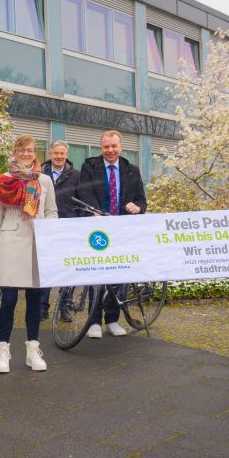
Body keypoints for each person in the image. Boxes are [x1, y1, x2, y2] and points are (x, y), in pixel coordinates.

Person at [0, 134, 57, 373]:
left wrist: (48, 234)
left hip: (37, 244)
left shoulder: (44, 180)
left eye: (30, 150)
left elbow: (52, 211)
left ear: (35, 153)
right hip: (10, 242)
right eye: (22, 150)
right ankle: (3, 351)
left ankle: (32, 350)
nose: (26, 154)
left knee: (35, 300)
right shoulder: (3, 180)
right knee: (8, 300)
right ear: (15, 152)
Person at [76, 130, 147, 339]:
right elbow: (84, 192)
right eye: (106, 147)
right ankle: (94, 321)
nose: (110, 150)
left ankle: (113, 319)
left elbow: (142, 200)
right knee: (96, 275)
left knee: (119, 276)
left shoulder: (131, 170)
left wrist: (137, 207)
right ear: (101, 148)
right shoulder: (90, 167)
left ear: (120, 147)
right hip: (98, 228)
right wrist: (95, 211)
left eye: (114, 146)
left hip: (122, 230)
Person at [39, 140, 80, 321]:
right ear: (50, 154)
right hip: (46, 226)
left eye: (62, 154)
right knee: (46, 268)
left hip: (68, 226)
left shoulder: (76, 175)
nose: (59, 157)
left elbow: (81, 199)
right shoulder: (39, 174)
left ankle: (64, 306)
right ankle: (42, 307)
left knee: (66, 269)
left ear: (66, 155)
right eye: (56, 153)